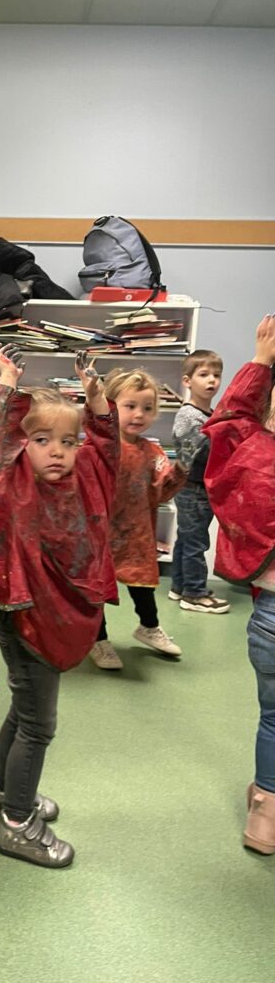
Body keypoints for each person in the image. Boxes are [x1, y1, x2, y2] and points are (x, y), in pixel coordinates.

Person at [0, 346, 118, 867]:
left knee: (24, 712)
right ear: (20, 443)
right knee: (38, 725)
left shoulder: (88, 478)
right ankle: (17, 822)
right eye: (41, 439)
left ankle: (4, 793)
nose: (58, 451)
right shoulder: (12, 484)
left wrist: (97, 400)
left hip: (64, 616)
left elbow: (107, 449)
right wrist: (7, 385)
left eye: (68, 441)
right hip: (30, 623)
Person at [204, 316, 275, 854]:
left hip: (271, 617)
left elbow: (229, 420)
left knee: (273, 716)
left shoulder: (258, 455)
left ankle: (265, 810)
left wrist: (261, 362)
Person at [89, 368, 192, 671]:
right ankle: (98, 638)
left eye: (147, 408)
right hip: (99, 533)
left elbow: (162, 492)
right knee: (96, 587)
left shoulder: (153, 452)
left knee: (143, 583)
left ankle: (149, 626)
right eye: (130, 406)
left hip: (137, 533)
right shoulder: (100, 447)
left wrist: (182, 468)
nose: (139, 414)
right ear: (110, 406)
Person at [168, 349, 229, 613]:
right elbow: (192, 454)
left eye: (216, 375)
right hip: (193, 489)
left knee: (186, 539)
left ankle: (179, 586)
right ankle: (194, 594)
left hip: (198, 489)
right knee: (196, 543)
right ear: (187, 381)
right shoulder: (189, 416)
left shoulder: (208, 414)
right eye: (204, 374)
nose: (212, 380)